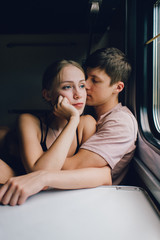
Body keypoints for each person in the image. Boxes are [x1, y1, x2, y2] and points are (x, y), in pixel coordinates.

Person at [0, 47, 137, 206]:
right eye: (67, 86)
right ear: (47, 94)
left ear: (118, 88)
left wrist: (73, 120)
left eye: (92, 81)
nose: (82, 91)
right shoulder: (30, 121)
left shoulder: (114, 122)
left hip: (75, 198)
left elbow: (103, 176)